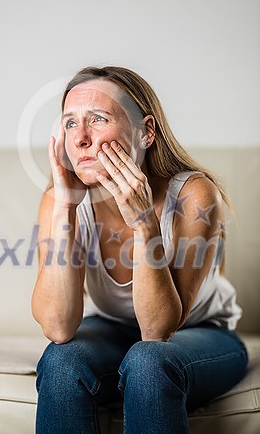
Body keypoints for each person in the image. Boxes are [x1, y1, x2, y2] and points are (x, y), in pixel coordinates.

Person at [31, 66, 248, 434]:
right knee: (60, 361)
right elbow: (58, 326)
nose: (80, 138)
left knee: (148, 361)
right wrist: (65, 208)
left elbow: (157, 331)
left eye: (98, 119)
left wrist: (145, 224)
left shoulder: (195, 195)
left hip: (200, 333)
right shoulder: (60, 200)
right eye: (70, 123)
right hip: (113, 330)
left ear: (146, 132)